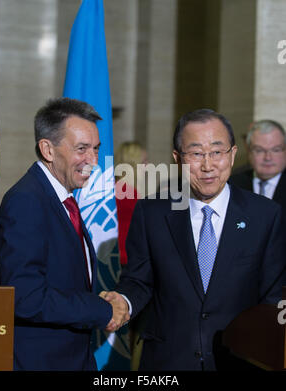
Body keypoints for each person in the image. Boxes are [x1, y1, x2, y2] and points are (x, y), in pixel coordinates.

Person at [101, 109, 286, 371]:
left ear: (232, 155)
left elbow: (272, 296)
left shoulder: (265, 216)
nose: (208, 165)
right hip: (168, 361)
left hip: (239, 359)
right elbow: (138, 280)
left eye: (217, 152)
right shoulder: (152, 212)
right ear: (178, 158)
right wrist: (124, 301)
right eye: (196, 153)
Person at [0, 97, 129, 371]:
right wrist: (99, 310)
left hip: (74, 357)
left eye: (96, 149)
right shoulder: (27, 201)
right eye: (82, 149)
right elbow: (25, 296)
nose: (93, 160)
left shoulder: (61, 196)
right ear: (48, 149)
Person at [229, 120, 286, 214]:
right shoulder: (232, 184)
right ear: (248, 151)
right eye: (259, 150)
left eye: (276, 150)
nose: (268, 157)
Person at [114, 141, 148, 266]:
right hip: (126, 258)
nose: (148, 166)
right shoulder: (127, 193)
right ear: (133, 164)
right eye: (144, 162)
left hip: (117, 255)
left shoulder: (116, 187)